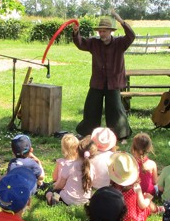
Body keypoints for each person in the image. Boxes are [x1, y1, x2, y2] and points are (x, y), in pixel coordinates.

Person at [72, 11, 135, 141]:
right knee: (91, 107)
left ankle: (120, 135)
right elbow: (80, 43)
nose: (101, 34)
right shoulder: (94, 43)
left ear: (110, 31)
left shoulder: (120, 43)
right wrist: (76, 32)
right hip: (97, 82)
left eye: (104, 31)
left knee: (116, 110)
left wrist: (121, 21)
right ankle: (87, 134)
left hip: (113, 83)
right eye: (100, 31)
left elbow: (131, 36)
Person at [108, 152, 161, 221]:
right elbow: (142, 205)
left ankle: (157, 208)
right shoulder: (135, 187)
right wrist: (148, 199)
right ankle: (158, 209)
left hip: (117, 218)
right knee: (146, 200)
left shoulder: (112, 187)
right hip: (134, 219)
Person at [45, 136, 97, 206]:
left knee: (50, 191)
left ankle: (51, 199)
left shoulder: (70, 166)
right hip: (85, 200)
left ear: (77, 150)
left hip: (68, 200)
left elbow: (60, 186)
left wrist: (53, 189)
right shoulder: (91, 167)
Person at [131, 132, 158, 197]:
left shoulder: (130, 162)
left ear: (133, 147)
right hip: (148, 193)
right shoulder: (152, 164)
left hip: (133, 192)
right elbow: (154, 182)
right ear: (148, 148)